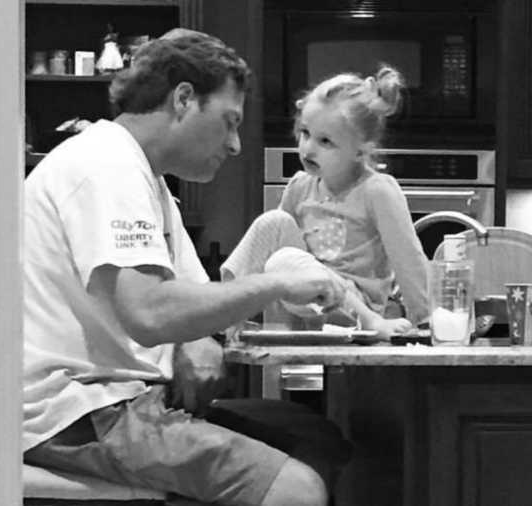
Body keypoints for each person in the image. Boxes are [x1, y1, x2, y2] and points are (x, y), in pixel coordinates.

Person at [22, 28, 351, 506]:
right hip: (76, 412)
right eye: (229, 121)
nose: (236, 144)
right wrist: (278, 282)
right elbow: (153, 313)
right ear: (182, 99)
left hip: (118, 398)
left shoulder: (147, 179)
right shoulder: (106, 164)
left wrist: (194, 337)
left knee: (315, 441)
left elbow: (189, 306)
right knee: (296, 489)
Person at [276, 65, 429, 338]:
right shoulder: (299, 188)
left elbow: (408, 259)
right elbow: (280, 253)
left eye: (325, 141)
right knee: (273, 229)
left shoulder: (376, 191)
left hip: (360, 310)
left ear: (361, 151)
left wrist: (427, 320)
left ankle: (369, 320)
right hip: (312, 304)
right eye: (305, 133)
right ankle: (229, 313)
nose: (308, 148)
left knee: (286, 258)